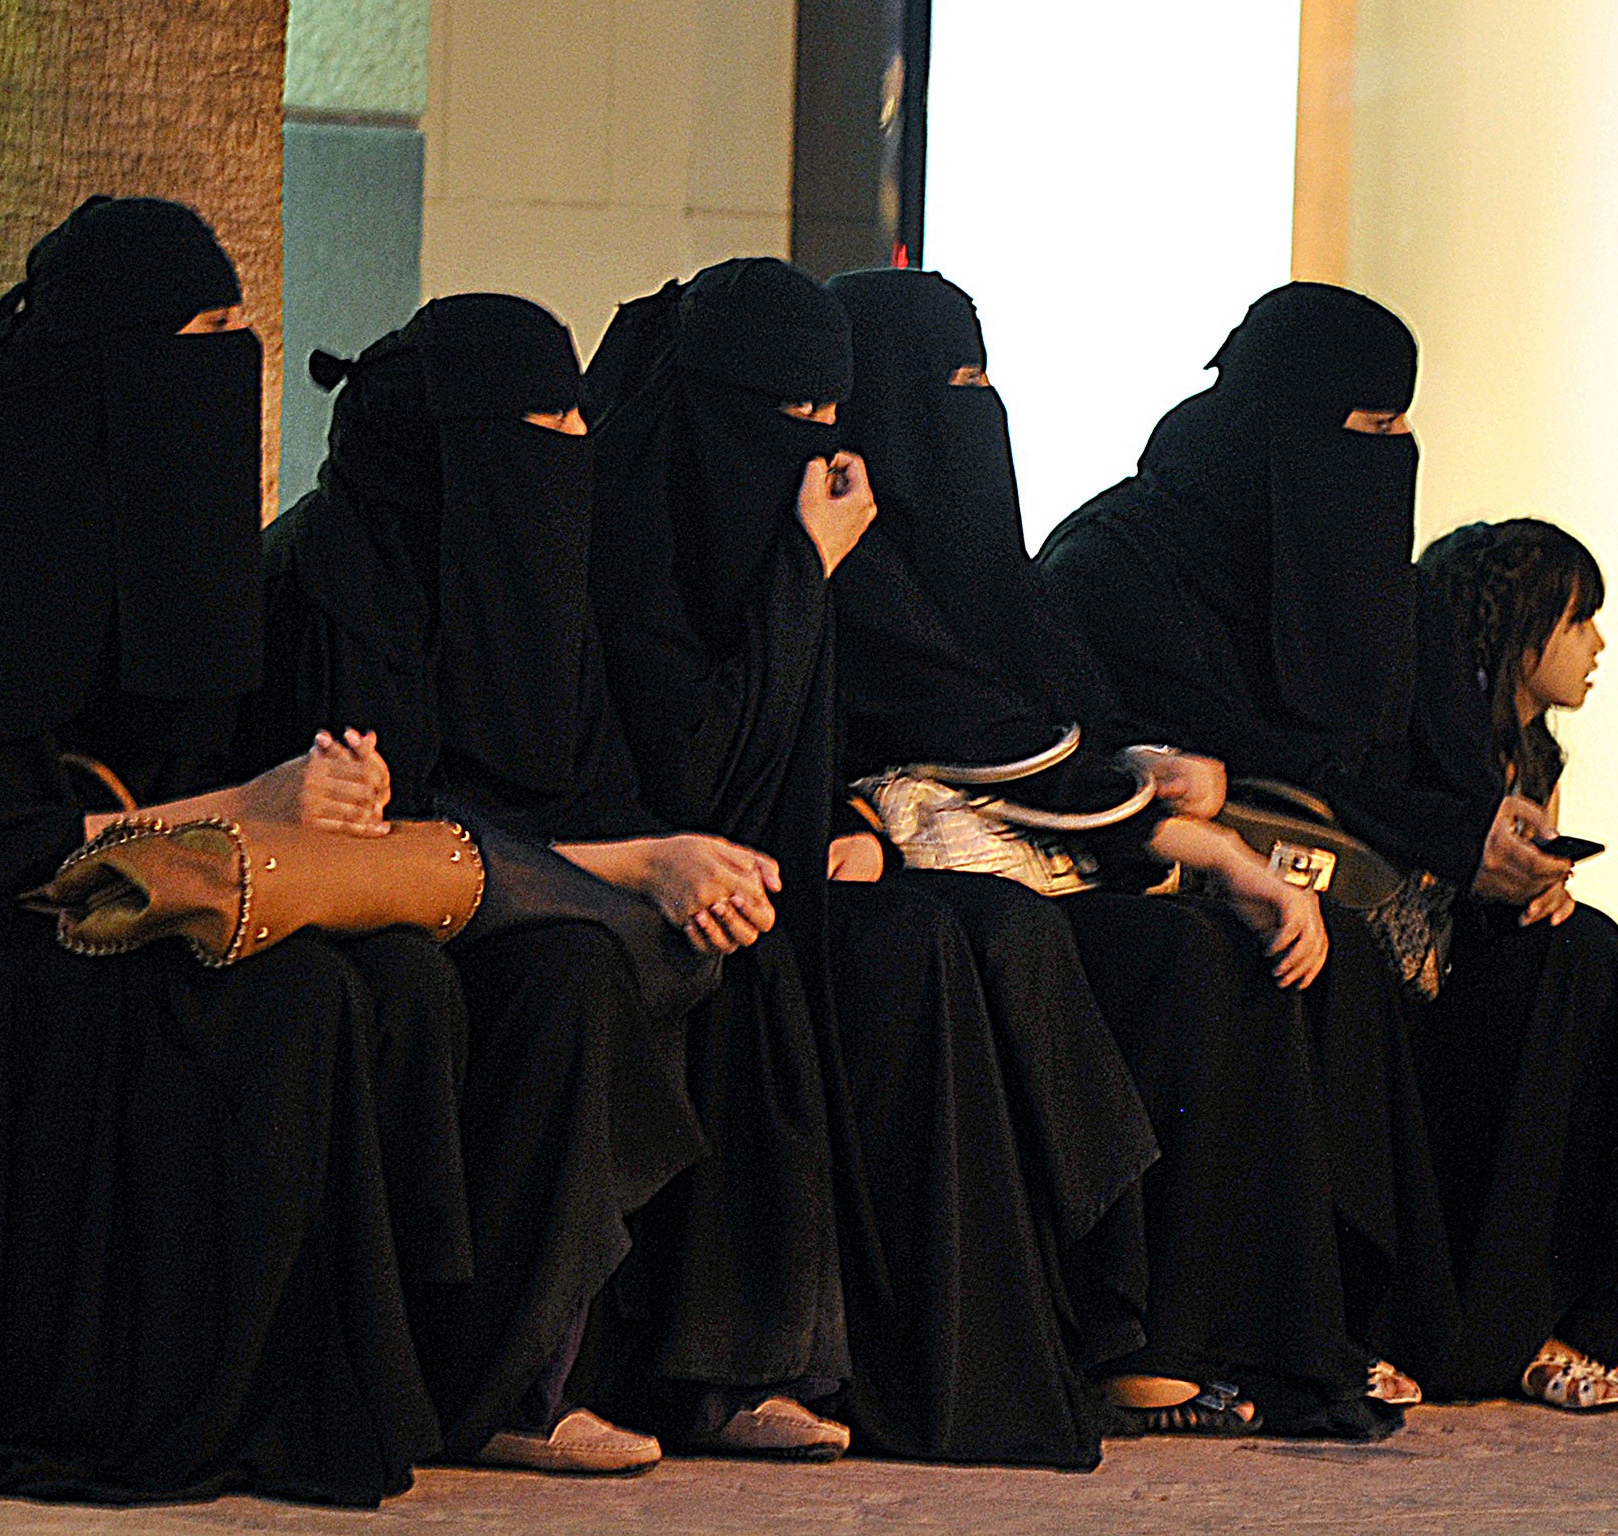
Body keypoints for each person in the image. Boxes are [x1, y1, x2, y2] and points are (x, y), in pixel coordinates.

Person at [0, 197, 456, 1504]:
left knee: (394, 987)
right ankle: (179, 1403)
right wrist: (244, 811)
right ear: (111, 347)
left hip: (97, 898)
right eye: (200, 333)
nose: (226, 362)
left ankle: (335, 1396)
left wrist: (313, 791)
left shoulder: (134, 504)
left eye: (236, 329)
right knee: (287, 1009)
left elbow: (166, 764)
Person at [828, 267, 1443, 1439]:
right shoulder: (1062, 553)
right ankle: (1137, 1343)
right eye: (953, 387)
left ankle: (1269, 1329)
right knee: (1172, 955)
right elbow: (976, 730)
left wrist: (1165, 790)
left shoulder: (977, 558)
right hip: (931, 877)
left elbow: (1065, 719)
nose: (979, 409)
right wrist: (1206, 843)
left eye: (987, 380)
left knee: (1238, 953)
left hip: (1056, 856)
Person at [583, 256, 1162, 1467]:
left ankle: (1029, 1336)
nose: (815, 443)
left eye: (832, 416)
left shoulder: (813, 527)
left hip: (786, 855)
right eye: (787, 417)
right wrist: (805, 568)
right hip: (639, 861)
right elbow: (688, 761)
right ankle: (771, 1363)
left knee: (968, 934)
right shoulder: (639, 533)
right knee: (883, 955)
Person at [263, 290, 855, 1465]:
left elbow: (591, 783)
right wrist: (642, 860)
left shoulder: (544, 578)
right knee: (571, 976)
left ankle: (727, 1369)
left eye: (581, 420)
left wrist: (662, 860)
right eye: (544, 424)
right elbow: (389, 826)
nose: (573, 451)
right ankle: (511, 1390)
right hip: (391, 907)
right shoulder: (332, 575)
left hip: (531, 881)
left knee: (743, 943)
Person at [1037, 283, 1590, 1409]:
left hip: (1402, 899)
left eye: (1398, 433)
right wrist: (1446, 832)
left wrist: (1507, 848)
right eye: (1360, 433)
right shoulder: (1121, 559)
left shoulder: (1382, 584)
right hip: (1197, 884)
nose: (1382, 461)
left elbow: (1441, 771)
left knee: (1577, 960)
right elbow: (1183, 753)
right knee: (1305, 953)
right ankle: (1330, 1316)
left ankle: (1512, 1329)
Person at [1408, 518, 1618, 1409]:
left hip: (1509, 986)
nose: (1598, 644)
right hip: (1431, 998)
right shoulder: (1424, 739)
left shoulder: (1537, 757)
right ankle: (1514, 1324)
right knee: (1584, 955)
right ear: (1523, 628)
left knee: (1584, 947)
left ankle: (1579, 1316)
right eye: (1579, 621)